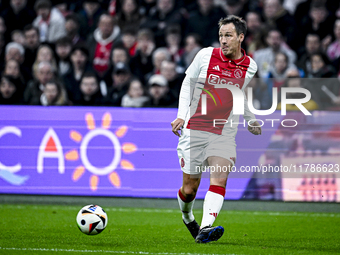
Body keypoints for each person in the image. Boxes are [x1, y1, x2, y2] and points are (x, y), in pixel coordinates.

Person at [171, 15, 261, 243]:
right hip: (195, 128)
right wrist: (181, 115)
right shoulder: (205, 55)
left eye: (228, 35)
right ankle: (187, 216)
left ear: (241, 37)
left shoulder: (250, 66)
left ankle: (205, 228)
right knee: (190, 189)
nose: (223, 40)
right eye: (221, 35)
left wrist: (250, 119)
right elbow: (186, 85)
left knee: (219, 178)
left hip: (223, 131)